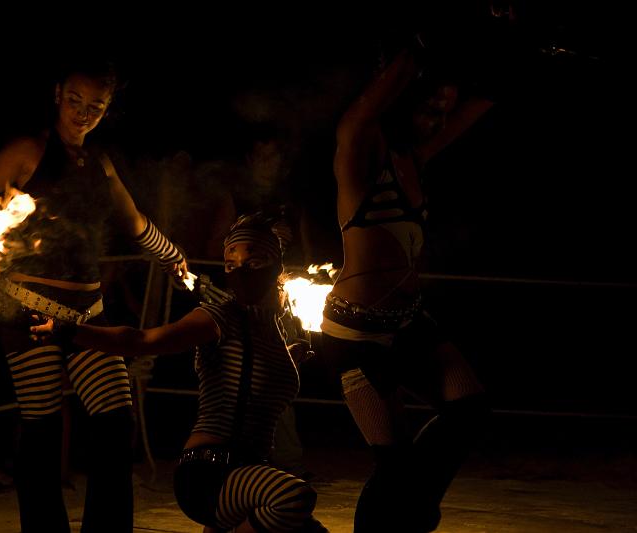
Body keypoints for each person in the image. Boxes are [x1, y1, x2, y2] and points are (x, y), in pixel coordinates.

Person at [0, 61, 187, 533]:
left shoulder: (100, 162)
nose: (84, 113)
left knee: (115, 421)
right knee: (42, 429)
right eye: (76, 101)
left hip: (88, 315)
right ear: (58, 93)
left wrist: (171, 254)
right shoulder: (29, 150)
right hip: (27, 312)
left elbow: (133, 219)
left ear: (107, 109)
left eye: (96, 106)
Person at [32, 212, 328, 532]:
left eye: (253, 261)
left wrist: (293, 360)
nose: (239, 270)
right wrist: (67, 330)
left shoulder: (276, 330)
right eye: (230, 264)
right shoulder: (220, 316)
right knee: (294, 497)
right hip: (210, 473)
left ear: (278, 267)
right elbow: (141, 340)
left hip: (251, 471)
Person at [319, 29, 495, 532]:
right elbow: (366, 107)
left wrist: (515, 41)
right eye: (428, 110)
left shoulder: (415, 157)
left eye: (443, 112)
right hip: (356, 337)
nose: (436, 123)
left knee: (471, 409)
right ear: (403, 100)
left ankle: (415, 502)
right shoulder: (360, 151)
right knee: (394, 469)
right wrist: (423, 42)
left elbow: (486, 97)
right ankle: (407, 505)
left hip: (409, 322)